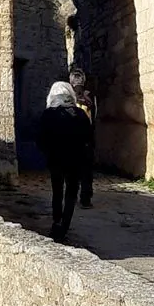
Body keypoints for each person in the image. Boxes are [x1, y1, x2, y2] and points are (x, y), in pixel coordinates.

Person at [37, 81, 94, 241]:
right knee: (71, 192)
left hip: (55, 158)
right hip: (76, 159)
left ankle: (56, 221)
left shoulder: (48, 114)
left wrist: (47, 152)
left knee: (57, 190)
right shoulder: (80, 114)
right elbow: (89, 137)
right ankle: (65, 225)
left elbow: (41, 138)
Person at [68, 67, 98, 209]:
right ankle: (85, 199)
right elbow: (95, 117)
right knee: (86, 171)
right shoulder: (90, 96)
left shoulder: (67, 96)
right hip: (86, 139)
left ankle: (71, 197)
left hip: (71, 139)